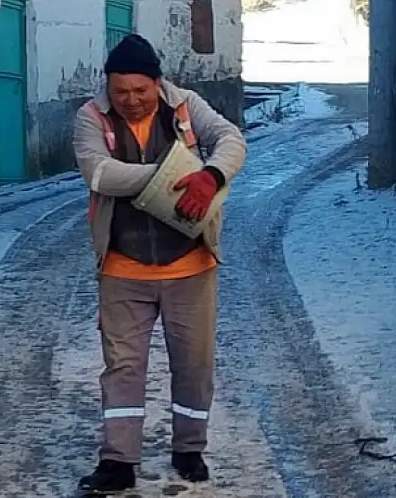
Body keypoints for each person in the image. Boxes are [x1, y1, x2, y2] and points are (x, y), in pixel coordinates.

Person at [73, 33, 246, 494]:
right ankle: (118, 461)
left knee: (194, 365)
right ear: (107, 87)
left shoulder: (186, 106)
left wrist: (209, 176)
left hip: (191, 267)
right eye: (120, 91)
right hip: (122, 270)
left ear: (158, 83)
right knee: (122, 367)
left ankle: (189, 449)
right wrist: (171, 176)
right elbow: (100, 172)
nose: (130, 100)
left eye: (140, 91)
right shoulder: (91, 117)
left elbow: (230, 139)